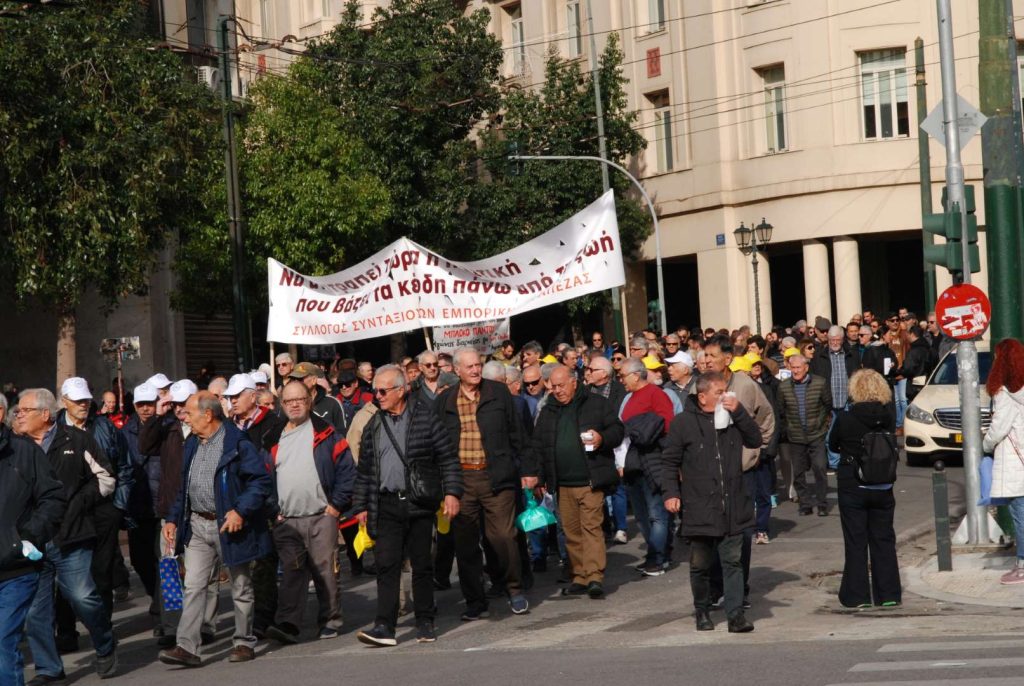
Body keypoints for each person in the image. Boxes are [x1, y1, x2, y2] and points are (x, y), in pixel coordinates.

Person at [159, 391, 272, 667]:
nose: (185, 418)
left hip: (230, 526)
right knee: (193, 586)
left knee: (240, 585)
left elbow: (260, 482)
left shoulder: (237, 443)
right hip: (197, 524)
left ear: (208, 414)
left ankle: (243, 641)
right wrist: (173, 518)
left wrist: (240, 511)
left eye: (189, 413)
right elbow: (184, 487)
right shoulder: (192, 443)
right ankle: (187, 647)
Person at [353, 366, 463, 646]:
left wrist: (452, 493)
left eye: (383, 390)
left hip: (418, 501)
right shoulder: (374, 424)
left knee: (422, 564)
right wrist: (361, 505)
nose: (378, 396)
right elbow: (365, 470)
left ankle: (425, 621)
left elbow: (448, 458)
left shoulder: (425, 417)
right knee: (386, 565)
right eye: (375, 391)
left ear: (401, 390)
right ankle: (384, 626)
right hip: (385, 503)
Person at [16, 388, 118, 683]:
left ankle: (105, 645)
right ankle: (49, 669)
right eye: (17, 411)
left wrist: (79, 503)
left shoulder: (76, 439)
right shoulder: (16, 447)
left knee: (82, 597)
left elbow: (106, 478)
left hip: (71, 535)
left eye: (24, 410)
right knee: (36, 611)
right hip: (31, 540)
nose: (18, 415)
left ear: (45, 414)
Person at [438, 347, 536, 618]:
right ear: (456, 370)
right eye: (469, 366)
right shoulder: (445, 401)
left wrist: (528, 469)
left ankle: (514, 589)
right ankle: (475, 601)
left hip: (496, 475)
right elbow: (438, 444)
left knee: (502, 536)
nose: (475, 370)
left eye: (478, 365)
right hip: (461, 480)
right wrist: (443, 485)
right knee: (466, 543)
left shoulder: (498, 392)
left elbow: (518, 432)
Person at [661, 372, 762, 633]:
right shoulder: (683, 423)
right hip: (699, 506)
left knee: (733, 562)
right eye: (719, 392)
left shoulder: (732, 418)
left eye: (726, 391)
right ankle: (702, 611)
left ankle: (736, 616)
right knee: (700, 565)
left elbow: (755, 439)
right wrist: (671, 493)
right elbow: (669, 461)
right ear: (702, 396)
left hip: (732, 505)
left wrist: (739, 412)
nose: (725, 396)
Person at [263, 380, 355, 644]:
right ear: (282, 404)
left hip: (321, 517)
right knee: (291, 574)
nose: (294, 405)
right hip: (286, 520)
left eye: (299, 399)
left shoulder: (327, 433)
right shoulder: (272, 438)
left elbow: (347, 473)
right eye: (288, 401)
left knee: (326, 572)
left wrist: (336, 506)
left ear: (309, 401)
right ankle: (288, 625)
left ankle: (330, 621)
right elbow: (263, 478)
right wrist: (274, 510)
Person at [532, 366, 623, 598]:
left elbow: (617, 430)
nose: (557, 390)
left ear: (574, 382)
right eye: (553, 386)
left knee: (591, 527)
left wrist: (602, 438)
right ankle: (580, 575)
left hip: (589, 479)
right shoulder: (548, 410)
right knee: (571, 531)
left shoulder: (596, 403)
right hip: (562, 483)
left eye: (561, 385)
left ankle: (594, 576)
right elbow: (539, 446)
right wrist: (539, 478)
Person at [0, 406, 66, 686]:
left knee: (2, 641)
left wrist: (26, 538)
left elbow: (53, 498)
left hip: (16, 568)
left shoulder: (24, 452)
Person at [828, 369, 900, 607]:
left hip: (853, 483)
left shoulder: (846, 418)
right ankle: (888, 594)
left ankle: (858, 596)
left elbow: (833, 444)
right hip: (883, 482)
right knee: (884, 539)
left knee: (856, 541)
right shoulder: (888, 416)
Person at [618, 357, 674, 576]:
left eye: (623, 375)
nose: (621, 380)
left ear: (636, 375)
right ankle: (656, 554)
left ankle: (658, 558)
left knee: (656, 513)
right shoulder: (629, 398)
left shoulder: (655, 394)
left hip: (653, 460)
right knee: (641, 514)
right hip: (633, 461)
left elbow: (668, 424)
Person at [982, 339, 1024, 585]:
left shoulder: (1005, 393)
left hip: (1015, 462)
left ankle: (1022, 565)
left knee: (1020, 514)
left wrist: (986, 444)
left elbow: (999, 428)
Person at [776, 355, 832, 516]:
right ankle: (805, 503)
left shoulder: (820, 382)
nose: (795, 371)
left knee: (820, 467)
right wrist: (788, 428)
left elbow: (827, 404)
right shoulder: (784, 387)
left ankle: (822, 503)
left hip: (816, 434)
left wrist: (821, 423)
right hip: (795, 436)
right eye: (792, 368)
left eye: (798, 368)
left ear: (806, 368)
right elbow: (781, 410)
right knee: (798, 471)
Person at [290, 362, 346, 432]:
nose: (296, 382)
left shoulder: (332, 403)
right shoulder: (288, 405)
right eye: (293, 379)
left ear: (314, 380)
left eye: (300, 379)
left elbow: (342, 433)